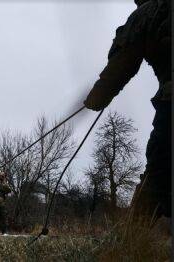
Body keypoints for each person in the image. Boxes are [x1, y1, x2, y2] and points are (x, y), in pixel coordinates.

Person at [84, 0, 171, 221]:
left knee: (157, 179)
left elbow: (121, 63)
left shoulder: (149, 11)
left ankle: (128, 247)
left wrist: (96, 98)